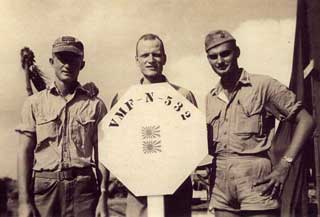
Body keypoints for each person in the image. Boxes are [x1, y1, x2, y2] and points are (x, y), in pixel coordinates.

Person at [205, 30, 315, 217]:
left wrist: (284, 165)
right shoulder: (211, 97)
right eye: (213, 56)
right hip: (221, 184)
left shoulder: (263, 85)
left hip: (257, 181)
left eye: (225, 53)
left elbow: (306, 120)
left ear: (237, 52)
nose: (220, 61)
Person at [16, 36, 109, 217]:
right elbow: (24, 152)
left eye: (73, 59)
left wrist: (103, 197)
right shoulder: (34, 103)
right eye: (62, 59)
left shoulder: (96, 105)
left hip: (84, 191)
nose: (67, 65)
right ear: (52, 62)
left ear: (82, 64)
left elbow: (103, 155)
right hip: (45, 190)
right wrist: (23, 201)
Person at [111, 33, 197, 217]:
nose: (151, 60)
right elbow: (115, 145)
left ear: (164, 58)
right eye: (144, 55)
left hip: (177, 189)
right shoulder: (122, 98)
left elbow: (194, 142)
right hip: (138, 192)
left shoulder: (183, 95)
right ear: (136, 60)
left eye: (156, 55)